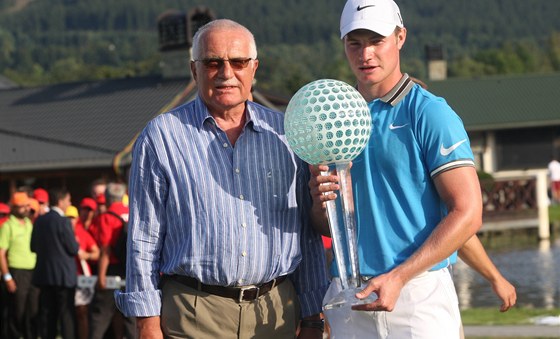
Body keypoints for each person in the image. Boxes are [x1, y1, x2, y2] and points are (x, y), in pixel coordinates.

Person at [114, 19, 329, 339]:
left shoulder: (288, 133)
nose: (226, 73)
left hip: (275, 311)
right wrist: (146, 321)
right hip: (193, 313)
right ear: (194, 69)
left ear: (254, 67)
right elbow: (143, 239)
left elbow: (305, 236)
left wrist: (313, 314)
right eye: (213, 62)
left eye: (238, 62)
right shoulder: (162, 136)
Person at [309, 1, 484, 337]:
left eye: (376, 41)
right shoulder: (330, 120)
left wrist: (399, 276)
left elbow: (469, 211)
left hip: (417, 292)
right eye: (354, 43)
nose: (365, 55)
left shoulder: (429, 113)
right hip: (350, 296)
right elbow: (325, 226)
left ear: (400, 37)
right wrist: (319, 204)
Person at [31, 187, 79, 339]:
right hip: (63, 276)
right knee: (66, 316)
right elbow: (73, 248)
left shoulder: (39, 221)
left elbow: (33, 247)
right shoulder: (63, 222)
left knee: (47, 315)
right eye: (68, 200)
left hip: (44, 275)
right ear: (60, 201)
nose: (69, 203)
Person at [89, 182, 135, 339]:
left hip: (113, 270)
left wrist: (101, 277)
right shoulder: (133, 211)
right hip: (132, 270)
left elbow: (106, 250)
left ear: (108, 198)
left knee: (100, 316)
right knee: (131, 318)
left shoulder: (107, 217)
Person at [0, 192, 40, 339]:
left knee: (33, 310)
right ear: (14, 207)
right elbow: (1, 254)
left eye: (26, 206)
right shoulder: (7, 226)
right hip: (17, 271)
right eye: (22, 206)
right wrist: (7, 276)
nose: (25, 209)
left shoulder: (29, 223)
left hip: (32, 271)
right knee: (17, 310)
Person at [70, 202, 100, 339]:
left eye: (72, 218)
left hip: (82, 277)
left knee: (82, 312)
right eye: (67, 218)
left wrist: (86, 255)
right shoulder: (58, 231)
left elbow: (96, 253)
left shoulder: (81, 232)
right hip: (65, 278)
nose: (70, 220)